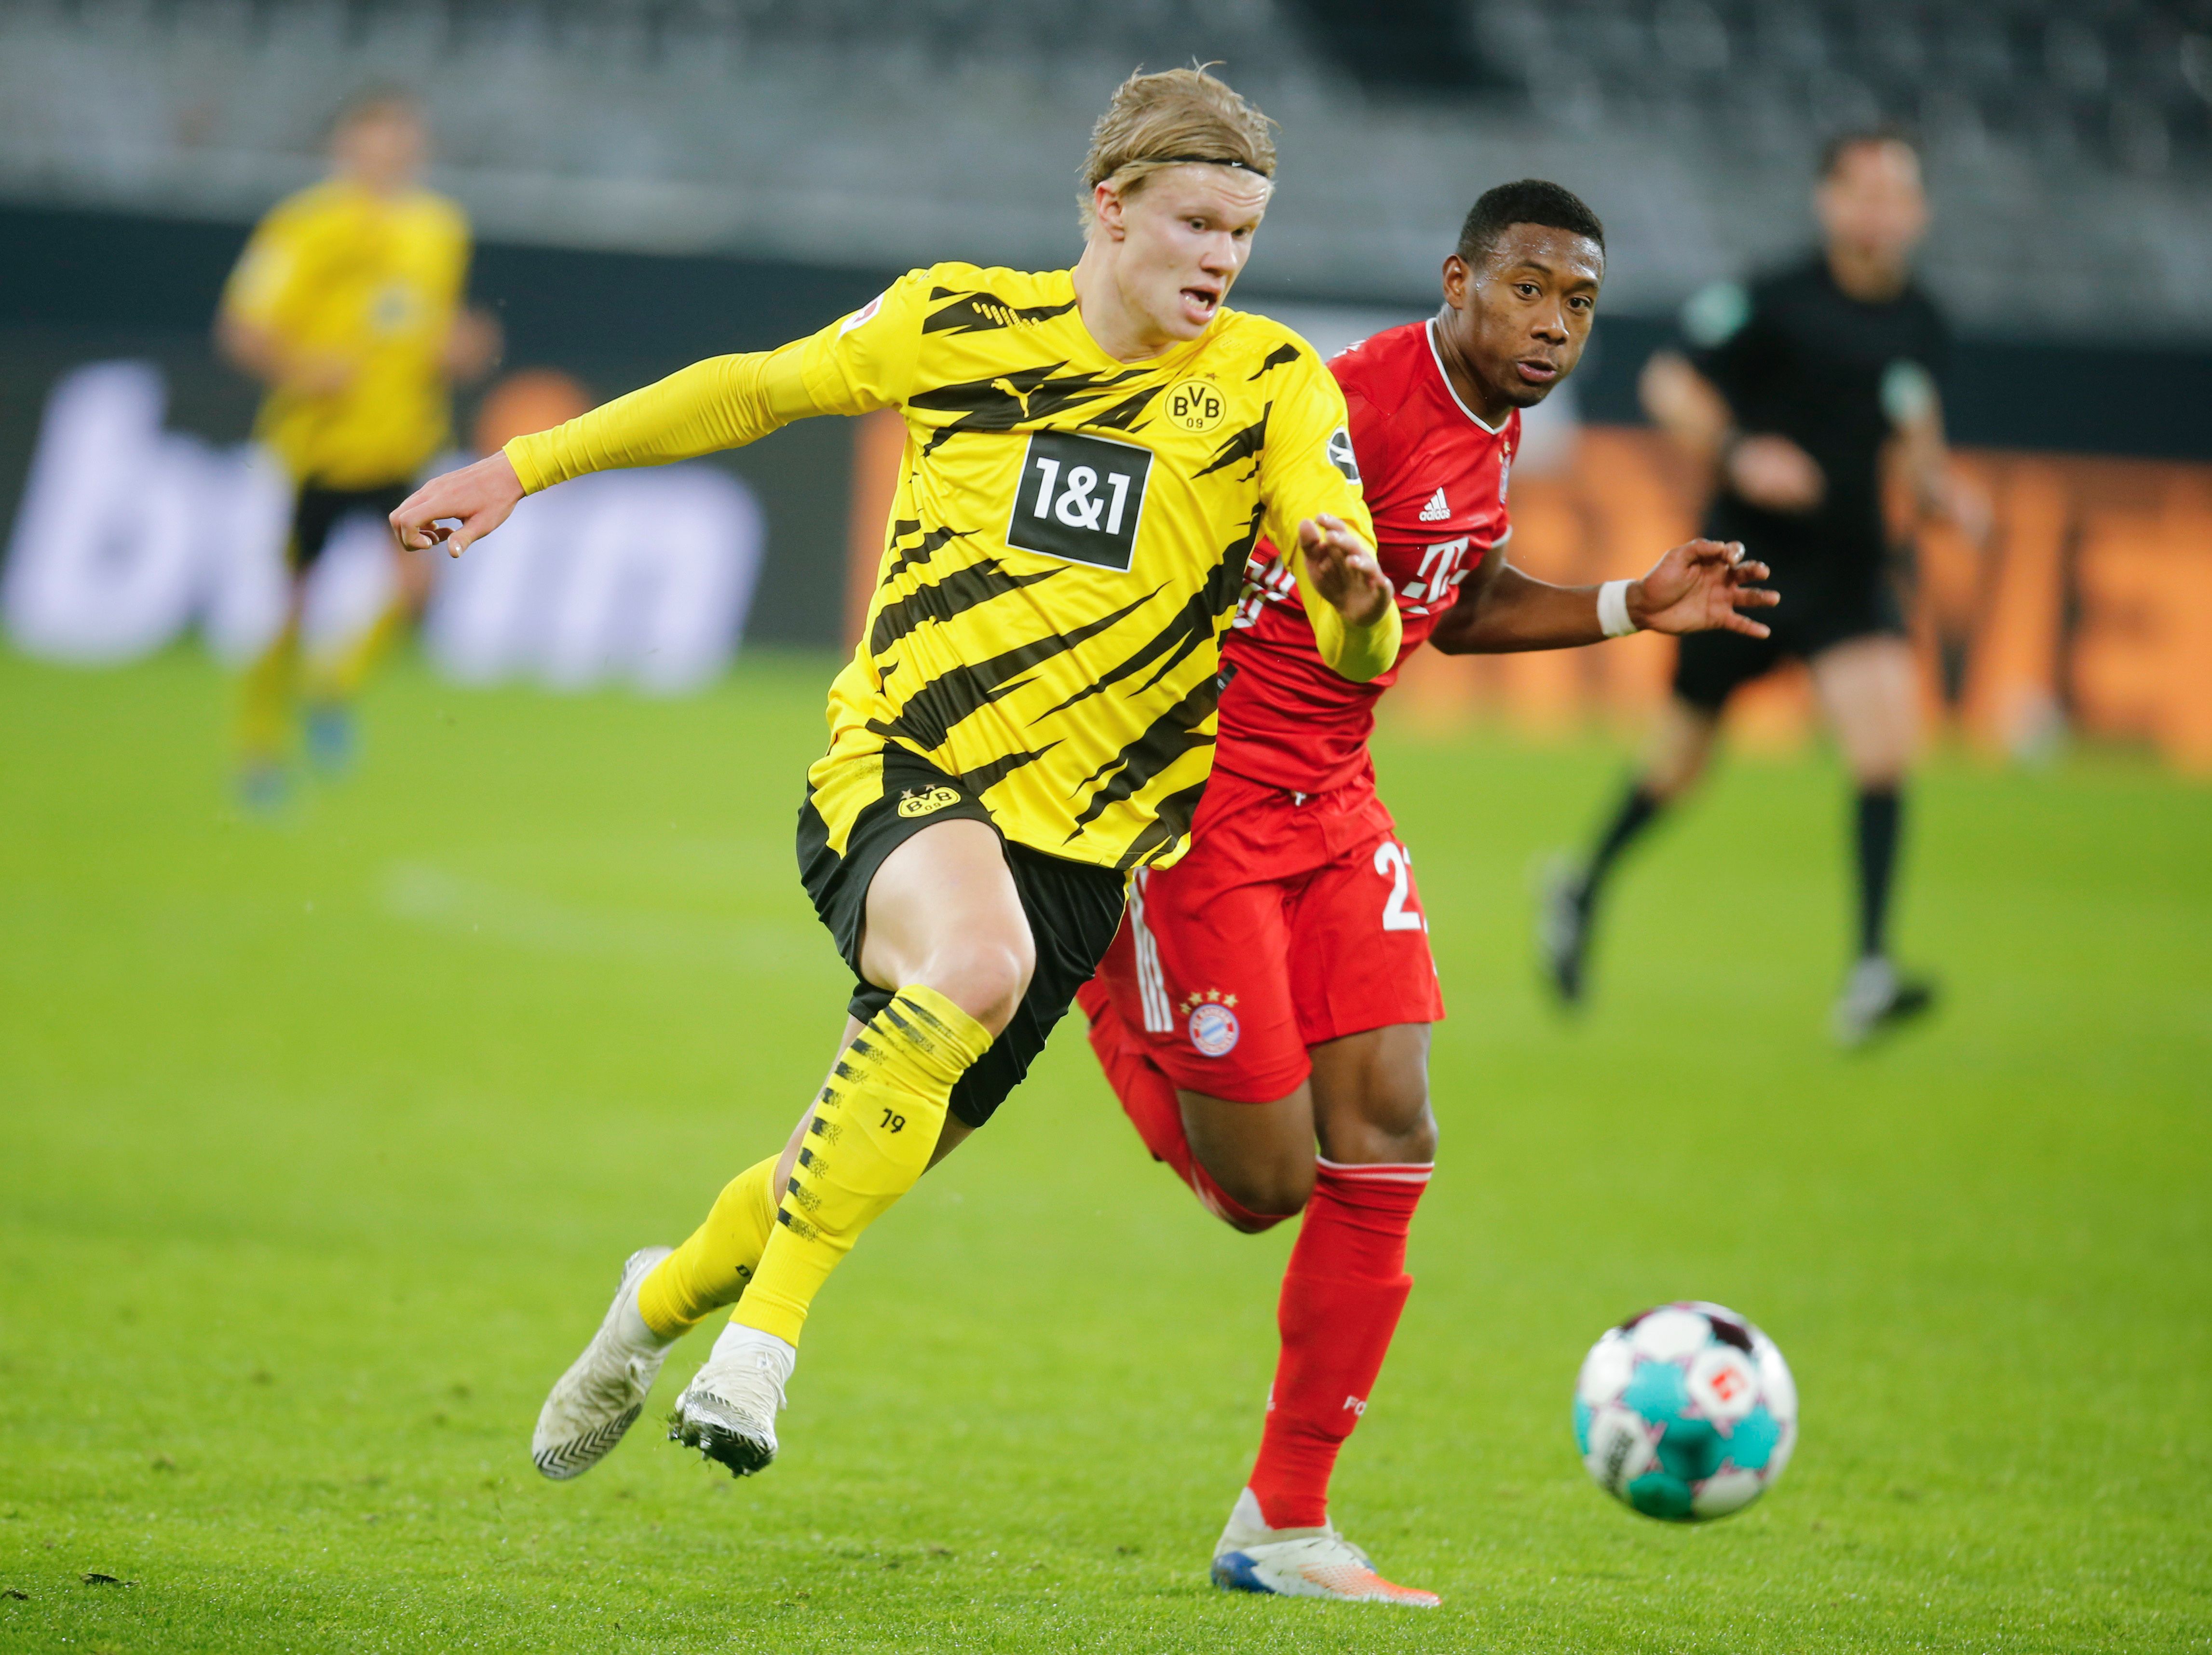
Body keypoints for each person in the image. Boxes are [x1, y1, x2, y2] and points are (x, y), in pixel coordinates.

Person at [389, 68, 1401, 1495]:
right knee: (972, 962)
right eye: (1195, 224)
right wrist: (523, 466)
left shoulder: (1271, 381)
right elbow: (754, 390)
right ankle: (762, 1348)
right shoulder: (961, 319)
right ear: (1109, 209)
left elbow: (1354, 615)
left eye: (1242, 233)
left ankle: (649, 1309)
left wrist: (1354, 607)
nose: (1220, 260)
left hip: (1085, 849)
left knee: (839, 1160)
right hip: (901, 769)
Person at [1077, 180, 1776, 1607]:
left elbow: (1453, 603)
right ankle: (1094, 966)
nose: (1553, 325)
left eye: (1578, 303)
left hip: (1334, 802)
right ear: (1457, 282)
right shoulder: (1340, 407)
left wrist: (1625, 607)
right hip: (1204, 807)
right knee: (1264, 1189)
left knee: (1392, 1128)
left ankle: (1283, 1522)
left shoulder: (1490, 422)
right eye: (1527, 289)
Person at [1541, 129, 1988, 1045]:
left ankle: (1870, 971)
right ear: (1830, 201)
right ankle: (1581, 885)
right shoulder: (1775, 298)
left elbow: (1915, 434)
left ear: (1919, 213)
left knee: (1885, 748)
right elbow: (1672, 383)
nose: (1881, 211)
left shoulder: (1922, 320)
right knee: (1681, 762)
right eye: (1864, 191)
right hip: (1748, 570)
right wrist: (1743, 452)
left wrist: (1945, 494)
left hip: (1852, 569)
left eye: (1897, 195)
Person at [217, 90, 500, 805]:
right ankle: (258, 751)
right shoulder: (304, 225)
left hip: (403, 439)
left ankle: (332, 687)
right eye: (374, 142)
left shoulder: (439, 228)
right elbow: (244, 329)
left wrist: (460, 344)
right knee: (290, 604)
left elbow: (427, 325)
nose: (388, 156)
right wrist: (305, 368)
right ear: (345, 147)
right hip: (317, 446)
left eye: (400, 143)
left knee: (418, 587)